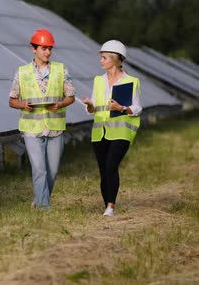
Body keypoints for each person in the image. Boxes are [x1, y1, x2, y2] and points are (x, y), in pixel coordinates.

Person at [9, 28, 75, 209]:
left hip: (55, 127)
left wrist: (60, 104)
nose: (47, 52)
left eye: (50, 49)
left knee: (52, 171)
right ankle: (44, 208)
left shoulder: (61, 70)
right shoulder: (22, 72)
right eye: (44, 48)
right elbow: (12, 101)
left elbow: (71, 96)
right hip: (31, 129)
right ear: (33, 49)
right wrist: (23, 105)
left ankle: (39, 200)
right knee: (39, 169)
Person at [83, 40, 142, 217]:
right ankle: (106, 205)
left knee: (111, 166)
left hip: (121, 132)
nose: (100, 61)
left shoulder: (132, 81)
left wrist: (122, 108)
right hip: (100, 131)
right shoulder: (98, 81)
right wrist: (89, 105)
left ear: (116, 59)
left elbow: (138, 108)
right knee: (103, 169)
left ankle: (111, 206)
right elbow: (93, 109)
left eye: (104, 57)